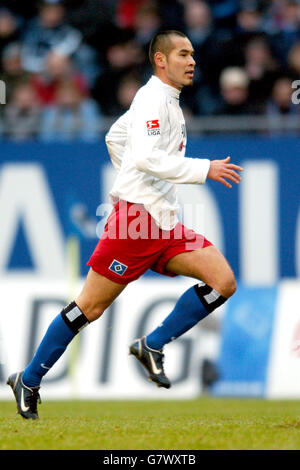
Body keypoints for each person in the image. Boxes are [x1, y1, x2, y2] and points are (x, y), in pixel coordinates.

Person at [7, 30, 243, 419]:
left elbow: (115, 137)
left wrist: (133, 176)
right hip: (134, 222)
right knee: (89, 307)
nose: (192, 61)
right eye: (183, 54)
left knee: (223, 282)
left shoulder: (165, 100)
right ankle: (29, 380)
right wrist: (203, 168)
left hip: (162, 220)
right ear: (160, 60)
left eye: (193, 54)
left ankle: (152, 344)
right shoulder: (152, 98)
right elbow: (148, 157)